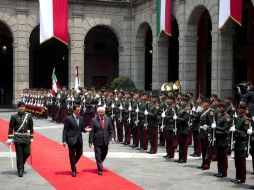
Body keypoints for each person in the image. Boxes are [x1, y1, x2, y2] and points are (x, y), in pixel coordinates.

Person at [62, 104, 91, 177]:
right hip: (71, 139)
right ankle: (73, 170)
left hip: (79, 139)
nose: (79, 111)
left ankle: (72, 163)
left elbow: (81, 129)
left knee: (80, 153)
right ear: (74, 110)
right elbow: (65, 130)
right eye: (77, 110)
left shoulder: (81, 118)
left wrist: (85, 130)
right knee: (71, 155)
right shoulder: (69, 118)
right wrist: (64, 140)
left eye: (79, 110)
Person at [6, 101, 33, 177]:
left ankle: (21, 164)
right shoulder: (14, 116)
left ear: (25, 107)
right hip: (17, 138)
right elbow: (11, 128)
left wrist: (31, 137)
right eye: (20, 106)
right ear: (17, 108)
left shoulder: (29, 116)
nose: (22, 108)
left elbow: (31, 127)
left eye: (23, 106)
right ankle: (20, 170)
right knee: (19, 155)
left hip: (26, 137)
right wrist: (10, 138)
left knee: (27, 153)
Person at [89, 106, 114, 175]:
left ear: (105, 112)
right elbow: (92, 131)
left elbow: (111, 130)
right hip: (97, 140)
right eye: (100, 112)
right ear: (98, 113)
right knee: (98, 154)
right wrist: (90, 141)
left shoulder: (108, 119)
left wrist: (112, 137)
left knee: (104, 153)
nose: (101, 114)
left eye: (103, 112)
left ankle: (99, 162)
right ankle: (100, 168)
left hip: (105, 140)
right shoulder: (93, 120)